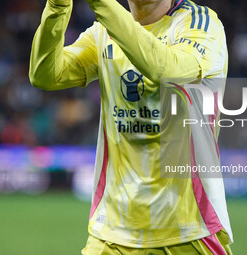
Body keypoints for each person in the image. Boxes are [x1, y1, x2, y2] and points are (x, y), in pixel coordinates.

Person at [29, 0, 233, 254]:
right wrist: (57, 8)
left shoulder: (200, 24)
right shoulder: (104, 31)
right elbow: (45, 74)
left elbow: (167, 69)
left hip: (188, 231)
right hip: (112, 233)